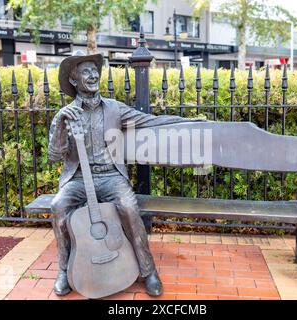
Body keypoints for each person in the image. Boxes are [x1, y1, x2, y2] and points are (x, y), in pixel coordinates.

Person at [49, 50, 203, 297]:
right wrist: (59, 125)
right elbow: (54, 156)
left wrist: (190, 122)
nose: (92, 75)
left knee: (129, 208)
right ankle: (63, 270)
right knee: (58, 206)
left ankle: (148, 270)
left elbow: (150, 121)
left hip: (110, 177)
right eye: (85, 71)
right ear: (74, 80)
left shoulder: (114, 109)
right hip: (78, 179)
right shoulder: (66, 115)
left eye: (94, 70)